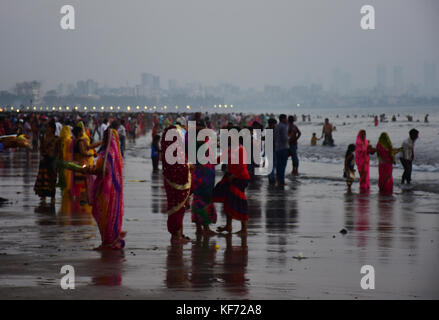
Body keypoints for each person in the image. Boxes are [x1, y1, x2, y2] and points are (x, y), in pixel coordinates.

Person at [84, 128, 125, 250]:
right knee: (107, 214)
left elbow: (104, 170)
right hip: (109, 188)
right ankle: (108, 240)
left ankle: (108, 241)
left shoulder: (109, 153)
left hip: (106, 189)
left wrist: (89, 170)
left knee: (105, 214)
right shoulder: (112, 152)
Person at [213, 131, 250, 235]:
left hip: (241, 178)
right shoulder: (229, 149)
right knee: (226, 199)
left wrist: (234, 176)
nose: (229, 139)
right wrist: (208, 163)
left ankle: (244, 229)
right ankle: (228, 226)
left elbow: (242, 166)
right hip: (230, 176)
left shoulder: (241, 149)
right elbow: (219, 159)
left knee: (240, 201)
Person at [161, 124, 192, 244]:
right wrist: (188, 166)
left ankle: (178, 234)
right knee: (178, 208)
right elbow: (180, 166)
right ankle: (176, 236)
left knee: (177, 207)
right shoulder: (175, 149)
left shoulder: (169, 146)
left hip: (170, 179)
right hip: (177, 181)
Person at [191, 122, 217, 236]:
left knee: (199, 199)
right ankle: (205, 227)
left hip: (201, 174)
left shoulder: (196, 142)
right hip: (204, 175)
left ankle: (200, 227)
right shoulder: (203, 142)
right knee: (204, 200)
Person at [34, 121, 59, 206]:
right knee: (43, 179)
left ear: (52, 129)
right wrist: (43, 153)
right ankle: (43, 196)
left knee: (52, 179)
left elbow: (59, 151)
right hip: (44, 160)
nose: (46, 129)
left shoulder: (56, 139)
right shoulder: (43, 138)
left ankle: (52, 197)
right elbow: (40, 148)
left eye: (48, 127)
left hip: (53, 161)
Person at [273, 114, 289, 187]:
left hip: (277, 148)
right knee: (282, 166)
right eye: (286, 119)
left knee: (278, 166)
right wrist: (290, 137)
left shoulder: (277, 126)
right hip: (283, 148)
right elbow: (285, 138)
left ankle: (279, 180)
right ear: (283, 119)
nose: (287, 120)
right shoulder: (283, 127)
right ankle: (281, 181)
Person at [266, 118, 277, 185]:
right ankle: (272, 179)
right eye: (275, 124)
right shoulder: (274, 130)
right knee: (273, 165)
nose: (276, 125)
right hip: (273, 150)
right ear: (273, 124)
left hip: (268, 149)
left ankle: (270, 178)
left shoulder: (267, 129)